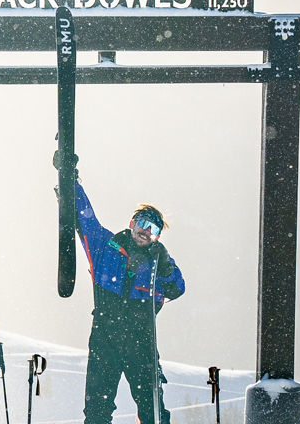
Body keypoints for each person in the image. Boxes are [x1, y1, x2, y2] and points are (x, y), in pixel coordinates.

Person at [73, 179, 185, 424]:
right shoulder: (106, 246)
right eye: (142, 224)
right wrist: (70, 179)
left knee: (153, 412)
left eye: (153, 230)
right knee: (97, 412)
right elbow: (84, 218)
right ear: (132, 223)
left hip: (142, 343)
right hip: (105, 339)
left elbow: (178, 288)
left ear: (157, 237)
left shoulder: (157, 263)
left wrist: (165, 264)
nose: (145, 231)